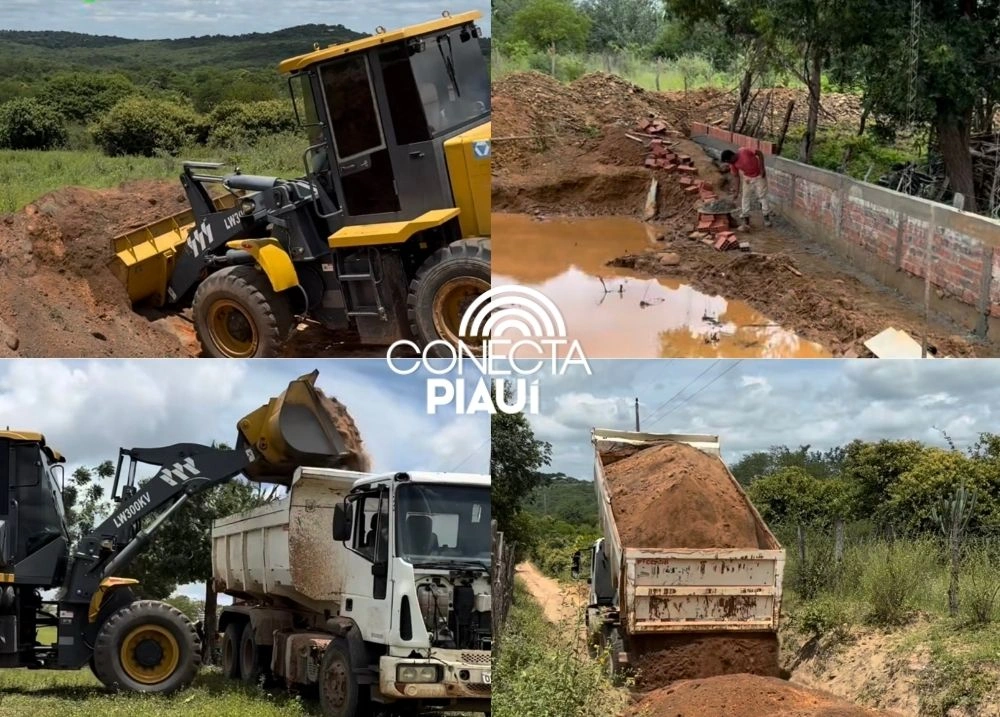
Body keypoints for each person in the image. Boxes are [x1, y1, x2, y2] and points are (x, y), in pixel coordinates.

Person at [721, 148, 772, 232]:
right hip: (748, 178)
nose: (730, 163)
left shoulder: (744, 151)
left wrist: (762, 168)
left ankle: (766, 217)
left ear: (732, 156)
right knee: (745, 197)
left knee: (762, 196)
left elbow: (759, 153)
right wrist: (736, 192)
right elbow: (736, 177)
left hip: (759, 175)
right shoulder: (733, 164)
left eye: (729, 161)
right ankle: (746, 218)